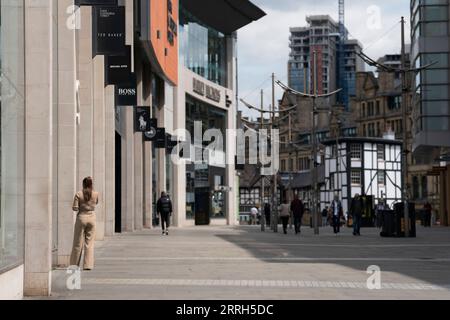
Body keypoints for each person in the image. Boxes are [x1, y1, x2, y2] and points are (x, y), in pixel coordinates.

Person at [70, 177, 99, 271]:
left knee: (77, 243)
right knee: (89, 243)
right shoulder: (96, 194)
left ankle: (74, 264)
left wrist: (80, 207)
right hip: (92, 218)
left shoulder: (79, 194)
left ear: (83, 184)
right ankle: (88, 265)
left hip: (81, 217)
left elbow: (74, 208)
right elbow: (96, 203)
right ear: (91, 184)